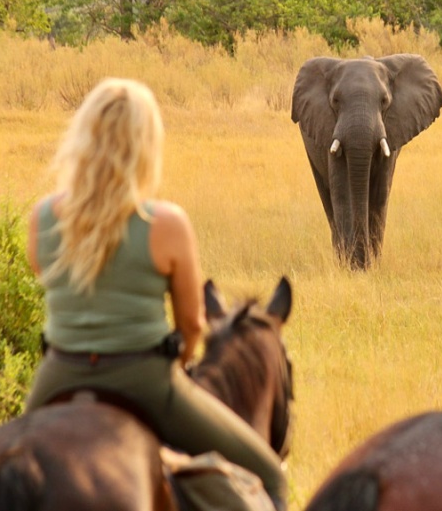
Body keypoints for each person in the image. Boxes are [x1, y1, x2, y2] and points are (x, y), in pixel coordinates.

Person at [25, 77, 287, 510]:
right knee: (270, 475)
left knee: (7, 458)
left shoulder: (43, 217)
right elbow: (191, 325)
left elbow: (47, 278)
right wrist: (178, 365)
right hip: (144, 379)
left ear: (82, 138)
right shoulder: (165, 224)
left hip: (58, 375)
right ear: (147, 144)